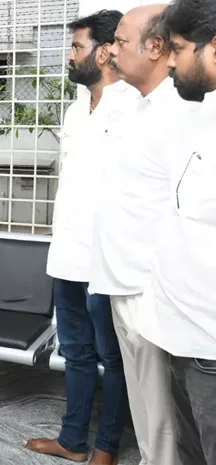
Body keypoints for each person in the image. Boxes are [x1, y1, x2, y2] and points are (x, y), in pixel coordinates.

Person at [24, 10, 136, 465]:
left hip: (107, 260)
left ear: (105, 51)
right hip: (67, 255)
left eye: (76, 47)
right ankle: (72, 441)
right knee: (76, 353)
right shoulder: (74, 109)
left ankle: (107, 447)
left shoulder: (134, 106)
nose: (69, 56)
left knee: (115, 357)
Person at [91, 5, 199, 465]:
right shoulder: (132, 105)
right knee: (145, 411)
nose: (111, 50)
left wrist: (159, 286)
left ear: (154, 47)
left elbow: (188, 211)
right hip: (120, 281)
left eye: (119, 40)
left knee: (166, 416)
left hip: (152, 290)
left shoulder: (183, 112)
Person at [140, 1, 216, 463]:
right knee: (191, 452)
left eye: (179, 49)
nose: (168, 61)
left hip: (210, 347)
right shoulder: (202, 114)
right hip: (180, 335)